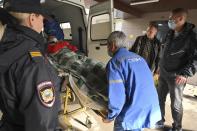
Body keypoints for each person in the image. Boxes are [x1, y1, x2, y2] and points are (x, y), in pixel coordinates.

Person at [0, 0, 61, 131]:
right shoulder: (34, 63)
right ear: (32, 18)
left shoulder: (7, 47)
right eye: (41, 18)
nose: (42, 22)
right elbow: (42, 123)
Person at [102, 31, 161, 131]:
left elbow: (118, 97)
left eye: (107, 45)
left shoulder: (115, 63)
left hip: (132, 114)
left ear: (112, 45)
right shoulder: (139, 58)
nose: (107, 48)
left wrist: (110, 117)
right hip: (151, 107)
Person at [157, 8, 197, 131]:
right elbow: (165, 52)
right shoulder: (170, 33)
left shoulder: (191, 37)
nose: (169, 21)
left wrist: (185, 74)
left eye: (171, 19)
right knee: (159, 99)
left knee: (176, 105)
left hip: (177, 76)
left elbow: (195, 58)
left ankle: (177, 127)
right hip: (163, 72)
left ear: (180, 19)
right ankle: (159, 120)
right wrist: (160, 66)